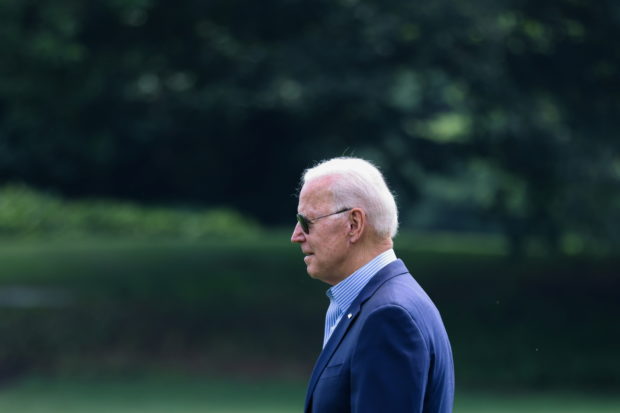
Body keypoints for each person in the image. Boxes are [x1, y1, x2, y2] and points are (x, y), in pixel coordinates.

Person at [291, 157, 454, 413]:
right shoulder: (391, 302)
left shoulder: (388, 316)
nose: (296, 236)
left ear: (354, 224)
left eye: (306, 222)